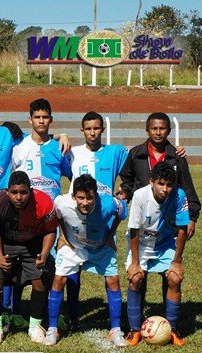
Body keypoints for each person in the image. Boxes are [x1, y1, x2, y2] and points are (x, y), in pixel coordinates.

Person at [0, 92, 68, 329]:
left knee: (33, 263)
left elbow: (42, 139)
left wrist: (61, 135)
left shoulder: (10, 136)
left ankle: (24, 311)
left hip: (30, 215)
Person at [118, 112, 198, 317]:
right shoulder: (136, 153)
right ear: (147, 129)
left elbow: (186, 187)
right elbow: (127, 180)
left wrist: (192, 217)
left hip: (168, 222)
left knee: (169, 273)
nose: (158, 132)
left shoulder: (177, 156)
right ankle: (137, 314)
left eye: (162, 128)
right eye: (154, 128)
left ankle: (166, 315)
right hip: (144, 219)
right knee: (139, 273)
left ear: (169, 130)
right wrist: (125, 192)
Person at [61, 111, 129, 331]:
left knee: (110, 272)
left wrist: (125, 189)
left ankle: (115, 322)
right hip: (76, 222)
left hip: (104, 223)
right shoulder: (72, 153)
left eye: (96, 128)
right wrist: (61, 135)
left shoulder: (115, 152)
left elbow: (136, 165)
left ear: (103, 129)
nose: (92, 133)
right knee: (73, 269)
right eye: (88, 129)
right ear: (82, 130)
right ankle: (73, 316)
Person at [9, 98, 72, 331]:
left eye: (45, 117)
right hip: (25, 217)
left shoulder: (59, 148)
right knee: (19, 264)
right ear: (30, 120)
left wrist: (62, 136)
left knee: (55, 264)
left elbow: (72, 176)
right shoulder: (19, 148)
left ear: (51, 119)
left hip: (51, 218)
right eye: (37, 117)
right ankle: (14, 312)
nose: (41, 121)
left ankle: (54, 311)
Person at [44, 174, 128, 346]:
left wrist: (111, 234)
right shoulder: (62, 203)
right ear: (73, 196)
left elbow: (122, 211)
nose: (85, 202)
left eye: (89, 198)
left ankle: (116, 329)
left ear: (96, 196)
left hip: (101, 247)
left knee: (113, 280)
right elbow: (57, 216)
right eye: (80, 198)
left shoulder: (109, 203)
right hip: (73, 247)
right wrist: (63, 236)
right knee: (58, 280)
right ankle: (52, 329)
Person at [0, 171, 58, 345]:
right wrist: (0, 257)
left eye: (23, 192)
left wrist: (45, 253)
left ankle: (35, 325)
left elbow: (50, 231)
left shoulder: (44, 202)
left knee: (40, 281)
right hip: (5, 242)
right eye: (14, 192)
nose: (19, 197)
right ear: (7, 191)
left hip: (33, 243)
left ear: (30, 191)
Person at [124, 162, 189, 346]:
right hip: (141, 243)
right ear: (151, 181)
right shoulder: (140, 195)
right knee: (135, 278)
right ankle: (134, 329)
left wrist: (177, 261)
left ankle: (172, 329)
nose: (165, 189)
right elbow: (134, 230)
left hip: (164, 243)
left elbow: (183, 229)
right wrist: (135, 263)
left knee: (175, 278)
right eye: (161, 183)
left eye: (169, 185)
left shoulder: (179, 195)